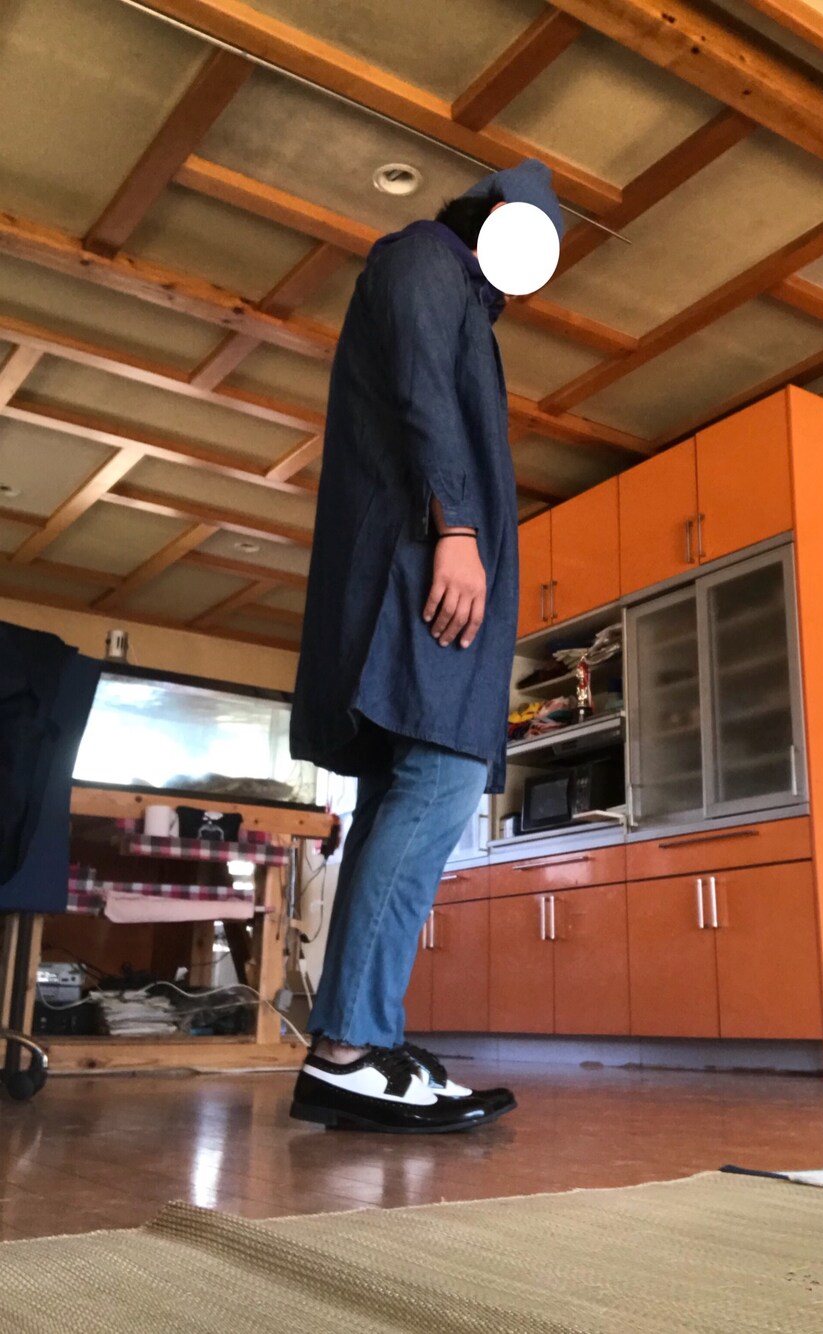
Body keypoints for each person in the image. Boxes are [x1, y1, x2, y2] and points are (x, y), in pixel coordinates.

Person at [289, 160, 564, 1133]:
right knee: (442, 778)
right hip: (419, 574)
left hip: (415, 576)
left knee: (399, 799)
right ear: (493, 219)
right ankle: (349, 1049)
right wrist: (458, 527)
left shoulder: (453, 288)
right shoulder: (424, 258)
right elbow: (421, 392)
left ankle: (352, 1047)